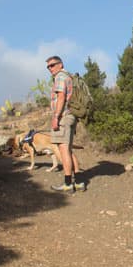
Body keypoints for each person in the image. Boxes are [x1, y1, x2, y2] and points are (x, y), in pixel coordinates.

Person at [46, 55, 85, 191]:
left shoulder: (60, 77)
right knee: (67, 149)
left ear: (60, 64)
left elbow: (61, 96)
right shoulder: (68, 76)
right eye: (48, 66)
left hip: (64, 116)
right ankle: (79, 182)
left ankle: (68, 184)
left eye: (52, 65)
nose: (50, 68)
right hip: (71, 115)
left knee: (63, 150)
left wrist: (56, 116)